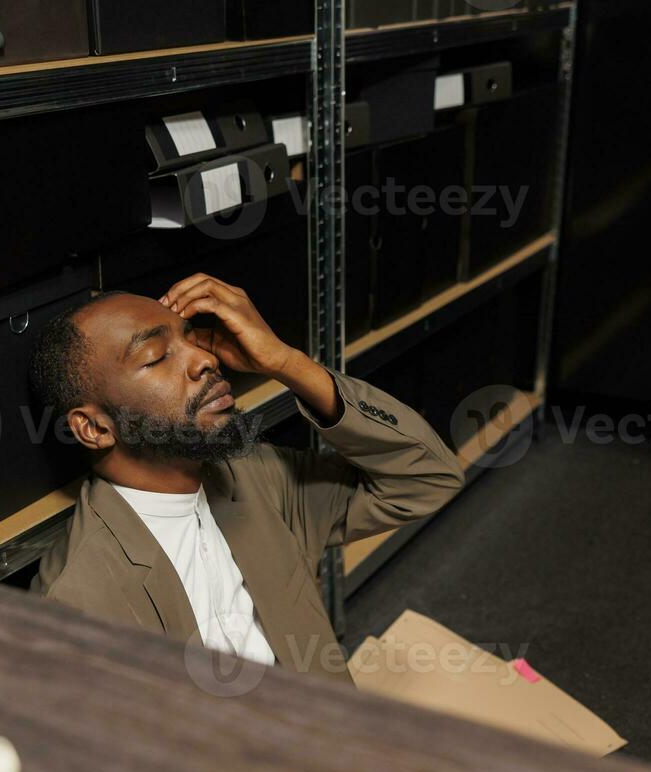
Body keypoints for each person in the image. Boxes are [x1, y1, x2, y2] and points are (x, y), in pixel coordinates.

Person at [28, 273, 464, 683]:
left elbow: (427, 479)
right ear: (95, 428)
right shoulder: (76, 601)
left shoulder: (257, 479)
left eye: (192, 338)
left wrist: (283, 361)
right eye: (157, 356)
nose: (204, 358)